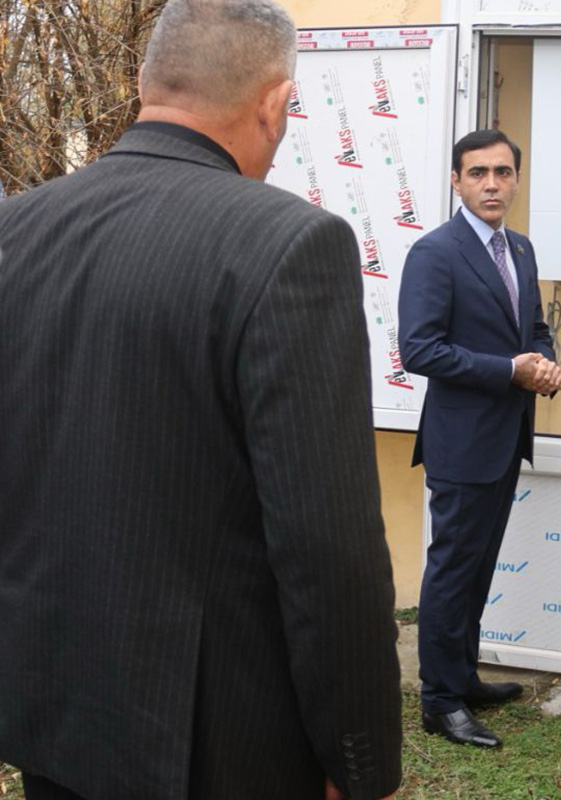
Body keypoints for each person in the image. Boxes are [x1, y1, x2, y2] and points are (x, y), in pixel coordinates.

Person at [0, 1, 403, 799]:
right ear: (275, 105)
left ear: (146, 85)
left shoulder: (17, 228)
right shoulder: (290, 243)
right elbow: (327, 544)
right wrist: (360, 756)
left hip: (54, 709)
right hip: (215, 738)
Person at [398, 129, 561, 750]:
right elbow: (420, 350)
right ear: (456, 181)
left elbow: (534, 328)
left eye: (502, 172)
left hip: (506, 436)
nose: (492, 184)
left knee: (478, 566)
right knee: (452, 570)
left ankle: (462, 677)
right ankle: (439, 702)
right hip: (461, 442)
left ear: (516, 179)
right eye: (477, 173)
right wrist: (508, 371)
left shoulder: (519, 248)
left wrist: (542, 363)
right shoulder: (435, 252)